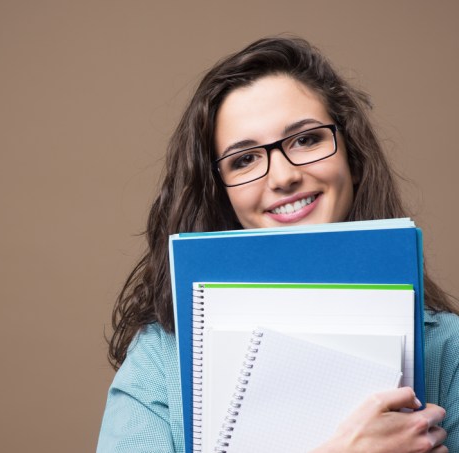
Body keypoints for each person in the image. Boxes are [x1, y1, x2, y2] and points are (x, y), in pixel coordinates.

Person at [97, 36, 459, 453]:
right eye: (244, 159)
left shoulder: (448, 350)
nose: (282, 176)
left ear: (353, 158)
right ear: (221, 193)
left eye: (306, 139)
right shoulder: (160, 359)